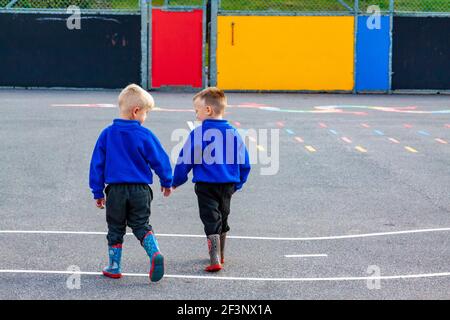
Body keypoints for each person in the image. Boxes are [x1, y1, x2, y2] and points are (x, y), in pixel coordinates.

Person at [89, 84, 172, 282]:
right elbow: (160, 159)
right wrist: (166, 181)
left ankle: (114, 266)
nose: (145, 117)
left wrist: (98, 192)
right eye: (146, 113)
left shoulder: (107, 134)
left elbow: (97, 165)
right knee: (141, 225)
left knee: (115, 229)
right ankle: (154, 253)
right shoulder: (145, 134)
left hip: (116, 191)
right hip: (140, 191)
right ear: (136, 111)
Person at [172, 87, 251, 272]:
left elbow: (186, 159)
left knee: (210, 218)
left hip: (206, 185)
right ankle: (221, 253)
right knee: (223, 215)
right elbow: (245, 161)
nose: (196, 114)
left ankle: (214, 257)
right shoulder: (233, 133)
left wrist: (176, 181)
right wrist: (238, 182)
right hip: (228, 184)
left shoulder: (199, 134)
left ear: (208, 110)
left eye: (197, 110)